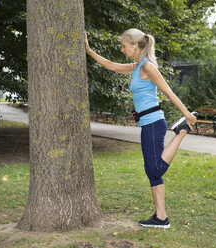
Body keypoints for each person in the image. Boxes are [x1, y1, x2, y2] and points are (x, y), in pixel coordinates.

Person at [85, 28, 197, 229]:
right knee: (152, 171)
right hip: (147, 124)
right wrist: (89, 50)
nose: (122, 49)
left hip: (154, 123)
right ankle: (161, 218)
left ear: (135, 45)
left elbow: (168, 91)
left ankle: (181, 131)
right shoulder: (136, 67)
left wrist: (187, 114)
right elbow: (111, 66)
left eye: (124, 46)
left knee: (155, 168)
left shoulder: (148, 67)